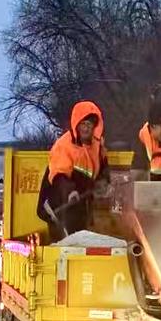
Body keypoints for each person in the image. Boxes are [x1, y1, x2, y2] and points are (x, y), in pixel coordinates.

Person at [39, 99, 108, 240]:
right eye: (82, 124)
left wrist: (104, 182)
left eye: (89, 124)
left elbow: (103, 168)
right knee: (68, 244)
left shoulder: (97, 146)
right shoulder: (64, 146)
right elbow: (59, 176)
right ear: (75, 124)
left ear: (95, 126)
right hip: (59, 206)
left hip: (81, 205)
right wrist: (70, 192)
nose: (86, 128)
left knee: (81, 239)